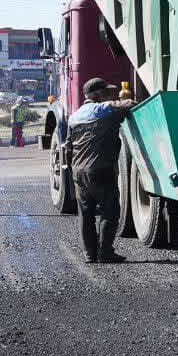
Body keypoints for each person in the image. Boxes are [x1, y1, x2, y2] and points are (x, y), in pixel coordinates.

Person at [68, 78, 135, 263]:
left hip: (78, 171)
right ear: (97, 95)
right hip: (100, 169)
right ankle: (105, 252)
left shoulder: (74, 116)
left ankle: (90, 254)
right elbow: (130, 104)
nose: (109, 95)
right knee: (110, 211)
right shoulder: (103, 109)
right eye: (106, 92)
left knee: (86, 214)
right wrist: (126, 98)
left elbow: (68, 145)